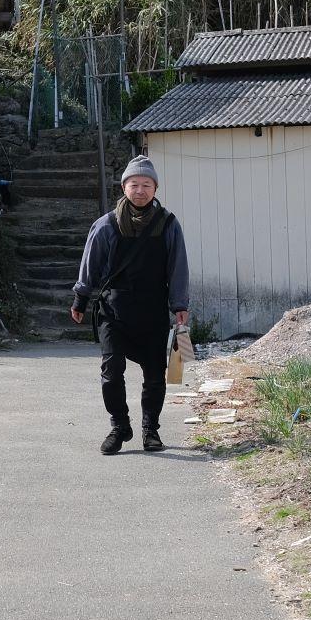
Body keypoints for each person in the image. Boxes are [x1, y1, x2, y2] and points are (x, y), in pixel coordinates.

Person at [69, 155, 190, 454]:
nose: (140, 190)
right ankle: (120, 426)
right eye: (134, 184)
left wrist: (180, 306)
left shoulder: (169, 224)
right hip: (114, 311)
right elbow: (90, 264)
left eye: (146, 184)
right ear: (124, 187)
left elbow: (178, 268)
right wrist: (80, 298)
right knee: (111, 371)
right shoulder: (106, 225)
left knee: (154, 374)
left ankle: (151, 430)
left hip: (152, 312)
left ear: (155, 188)